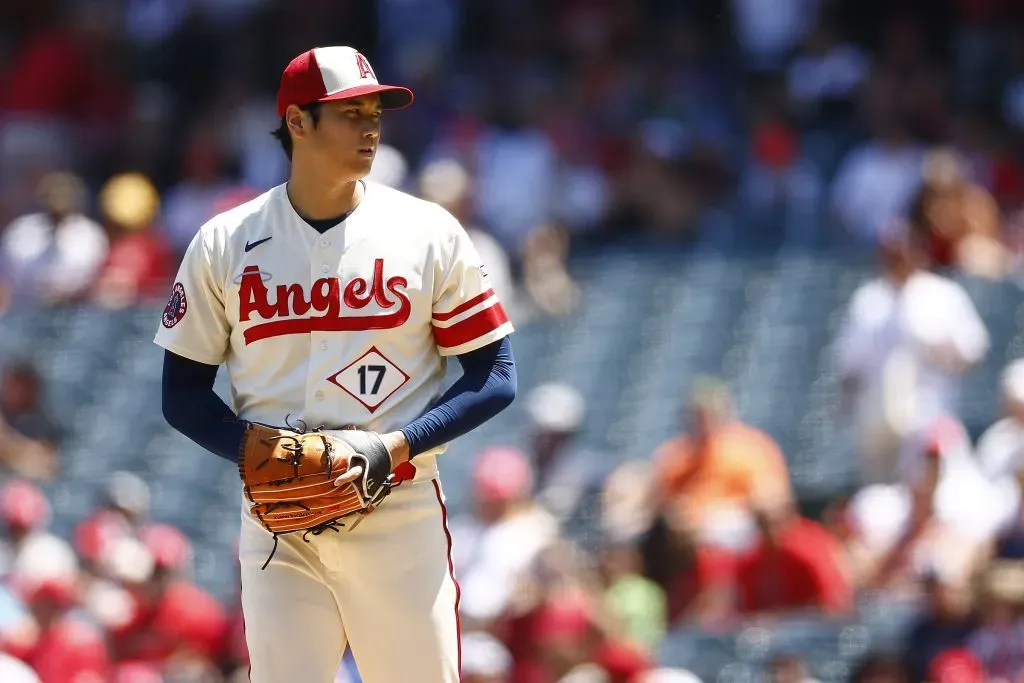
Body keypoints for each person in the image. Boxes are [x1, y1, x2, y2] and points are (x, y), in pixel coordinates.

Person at [154, 46, 517, 683]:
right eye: (350, 112)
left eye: (375, 110)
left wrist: (397, 444)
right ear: (298, 122)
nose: (370, 126)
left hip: (396, 512)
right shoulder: (224, 242)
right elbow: (181, 394)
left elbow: (495, 377)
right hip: (280, 524)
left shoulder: (427, 231)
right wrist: (261, 452)